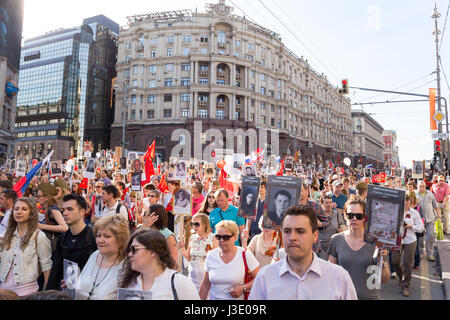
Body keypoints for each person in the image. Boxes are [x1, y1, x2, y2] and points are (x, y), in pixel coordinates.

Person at [249, 206, 357, 300]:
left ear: (315, 236)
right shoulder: (265, 277)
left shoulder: (338, 278)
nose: (292, 237)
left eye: (300, 231)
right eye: (287, 231)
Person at [328, 197, 390, 300]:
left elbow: (385, 279)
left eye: (359, 216)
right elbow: (330, 274)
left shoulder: (376, 242)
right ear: (345, 215)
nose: (354, 219)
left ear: (365, 217)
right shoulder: (336, 240)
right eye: (350, 215)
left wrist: (381, 261)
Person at [117, 229, 200, 300]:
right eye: (129, 250)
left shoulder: (180, 283)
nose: (130, 254)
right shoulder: (129, 284)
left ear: (152, 252)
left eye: (134, 249)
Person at [0, 198, 52, 296]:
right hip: (4, 291)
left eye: (24, 209)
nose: (19, 212)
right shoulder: (7, 235)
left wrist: (46, 292)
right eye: (16, 209)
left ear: (31, 213)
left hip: (27, 292)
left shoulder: (39, 236)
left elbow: (46, 266)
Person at [46, 194, 97, 290]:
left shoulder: (93, 238)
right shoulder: (62, 239)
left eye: (70, 209)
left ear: (82, 212)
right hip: (66, 292)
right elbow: (56, 271)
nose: (65, 213)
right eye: (64, 210)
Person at [199, 220, 260, 300]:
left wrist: (243, 288)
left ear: (235, 237)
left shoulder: (245, 254)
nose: (221, 240)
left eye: (226, 237)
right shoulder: (211, 255)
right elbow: (205, 284)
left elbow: (259, 278)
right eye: (218, 237)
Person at [75, 215, 130, 300]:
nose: (100, 240)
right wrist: (72, 285)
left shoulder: (127, 265)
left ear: (120, 240)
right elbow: (81, 286)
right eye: (98, 235)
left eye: (107, 236)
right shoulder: (95, 255)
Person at [391, 193, 425, 297]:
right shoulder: (396, 211)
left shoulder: (414, 213)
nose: (405, 202)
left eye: (407, 200)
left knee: (407, 264)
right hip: (397, 240)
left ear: (410, 201)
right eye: (404, 200)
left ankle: (405, 285)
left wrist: (411, 226)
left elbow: (421, 228)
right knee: (394, 261)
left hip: (410, 240)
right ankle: (401, 276)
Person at [181, 213, 218, 290]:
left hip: (207, 281)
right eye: (192, 224)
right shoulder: (192, 238)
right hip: (192, 279)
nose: (194, 226)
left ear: (205, 224)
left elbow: (217, 259)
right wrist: (182, 248)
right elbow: (188, 258)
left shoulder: (213, 237)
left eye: (197, 224)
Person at [36, 183, 69, 252]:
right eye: (36, 195)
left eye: (39, 196)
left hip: (52, 247)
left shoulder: (53, 209)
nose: (36, 198)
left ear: (47, 197)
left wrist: (41, 226)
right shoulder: (45, 209)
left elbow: (65, 227)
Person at [416, 180, 440, 261]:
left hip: (430, 218)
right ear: (417, 187)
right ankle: (421, 252)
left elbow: (435, 205)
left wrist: (439, 214)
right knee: (420, 237)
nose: (422, 188)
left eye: (423, 186)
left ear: (425, 186)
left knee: (430, 236)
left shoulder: (430, 193)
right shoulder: (414, 194)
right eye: (420, 186)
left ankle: (430, 253)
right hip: (419, 220)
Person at [318, 195, 346, 260]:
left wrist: (342, 230)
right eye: (326, 203)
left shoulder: (337, 214)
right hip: (321, 248)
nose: (329, 204)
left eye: (330, 202)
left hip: (334, 248)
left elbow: (343, 227)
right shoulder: (318, 215)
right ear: (322, 204)